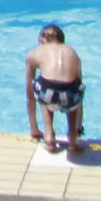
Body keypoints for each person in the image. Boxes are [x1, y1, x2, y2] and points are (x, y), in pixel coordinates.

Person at [25, 24, 84, 152]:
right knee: (75, 87)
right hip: (72, 97)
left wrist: (34, 129)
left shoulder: (35, 53)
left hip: (48, 95)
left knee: (39, 86)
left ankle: (49, 135)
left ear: (41, 41)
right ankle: (73, 136)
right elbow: (79, 88)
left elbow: (30, 96)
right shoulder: (72, 52)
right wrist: (79, 128)